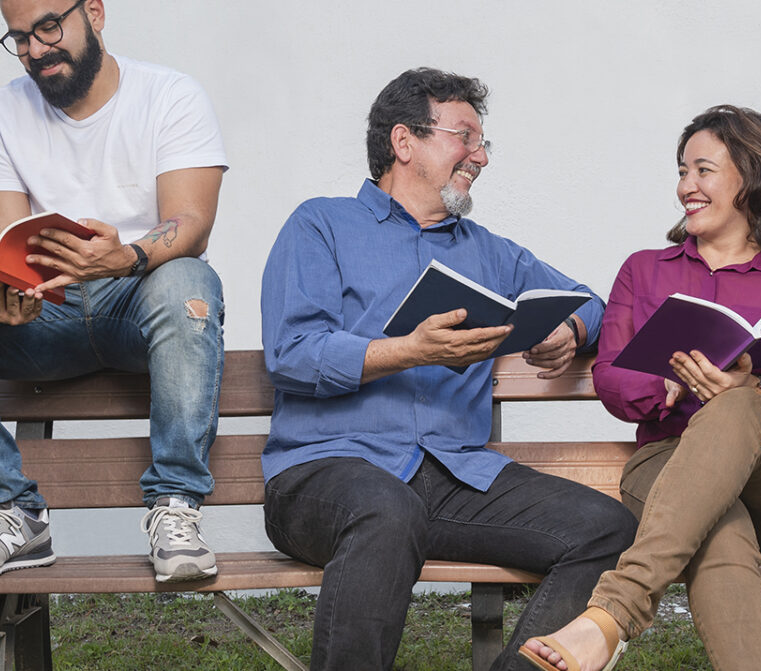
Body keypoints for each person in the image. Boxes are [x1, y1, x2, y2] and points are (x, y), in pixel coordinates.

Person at [259, 67, 638, 671]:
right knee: (385, 508)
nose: (480, 156)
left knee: (606, 529)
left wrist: (569, 330)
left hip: (452, 477)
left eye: (483, 142)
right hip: (323, 476)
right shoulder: (320, 225)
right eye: (465, 137)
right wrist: (411, 350)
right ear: (404, 142)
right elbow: (292, 353)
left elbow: (591, 300)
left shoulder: (488, 251)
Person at [0, 0, 229, 583]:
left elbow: (191, 223)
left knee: (189, 280)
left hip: (137, 300)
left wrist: (126, 256)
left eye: (49, 27)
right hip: (45, 314)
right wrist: (9, 290)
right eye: (19, 38)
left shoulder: (171, 95)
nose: (36, 49)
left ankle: (175, 508)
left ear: (94, 13)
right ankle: (11, 512)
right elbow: (0, 236)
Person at [520, 106, 761, 671]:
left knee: (738, 404)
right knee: (716, 533)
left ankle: (613, 615)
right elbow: (612, 377)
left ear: (753, 177)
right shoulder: (644, 270)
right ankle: (608, 622)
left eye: (703, 171)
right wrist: (669, 388)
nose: (685, 187)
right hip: (670, 464)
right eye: (682, 171)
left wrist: (748, 390)